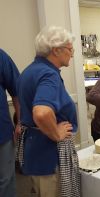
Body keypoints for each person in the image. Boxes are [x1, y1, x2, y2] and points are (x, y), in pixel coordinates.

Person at [17, 26, 80, 197]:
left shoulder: (29, 71)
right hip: (48, 155)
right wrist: (56, 134)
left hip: (34, 151)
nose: (72, 53)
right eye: (70, 48)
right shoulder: (48, 75)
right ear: (56, 50)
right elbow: (41, 113)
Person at [0, 49, 20, 197]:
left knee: (6, 181)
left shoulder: (1, 57)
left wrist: (20, 122)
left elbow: (17, 91)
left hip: (2, 133)